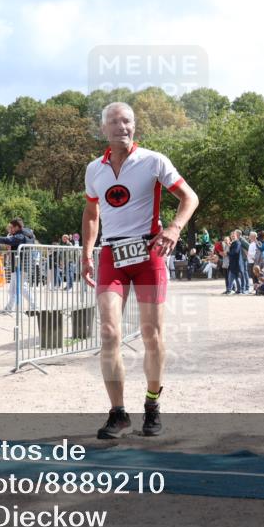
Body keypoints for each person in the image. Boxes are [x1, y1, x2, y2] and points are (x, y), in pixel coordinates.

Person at [81, 102, 199, 439]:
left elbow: (189, 198)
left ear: (135, 126)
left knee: (152, 334)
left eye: (128, 121)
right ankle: (118, 413)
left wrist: (174, 229)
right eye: (115, 122)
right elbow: (92, 214)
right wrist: (87, 252)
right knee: (108, 333)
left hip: (149, 253)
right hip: (112, 255)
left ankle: (152, 404)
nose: (122, 127)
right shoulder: (94, 170)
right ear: (103, 129)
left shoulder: (153, 161)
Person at [0, 218, 38, 312]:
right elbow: (10, 242)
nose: (10, 229)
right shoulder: (26, 234)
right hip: (18, 265)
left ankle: (35, 306)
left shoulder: (21, 236)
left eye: (11, 227)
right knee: (12, 289)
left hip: (21, 265)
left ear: (17, 227)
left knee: (22, 287)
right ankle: (9, 308)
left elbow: (7, 240)